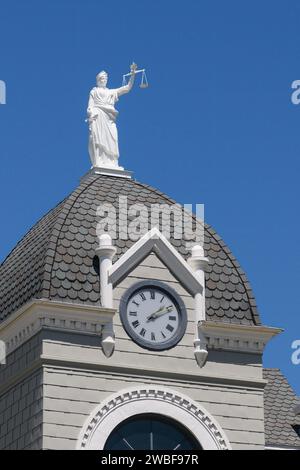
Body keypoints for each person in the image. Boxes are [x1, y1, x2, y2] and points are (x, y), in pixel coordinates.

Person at [87, 63, 137, 168]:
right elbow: (90, 106)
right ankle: (99, 161)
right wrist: (91, 114)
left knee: (112, 138)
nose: (103, 80)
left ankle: (112, 161)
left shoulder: (111, 92)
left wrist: (133, 75)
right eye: (101, 78)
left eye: (105, 78)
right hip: (98, 117)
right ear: (98, 80)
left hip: (109, 119)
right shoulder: (94, 91)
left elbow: (127, 88)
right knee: (97, 139)